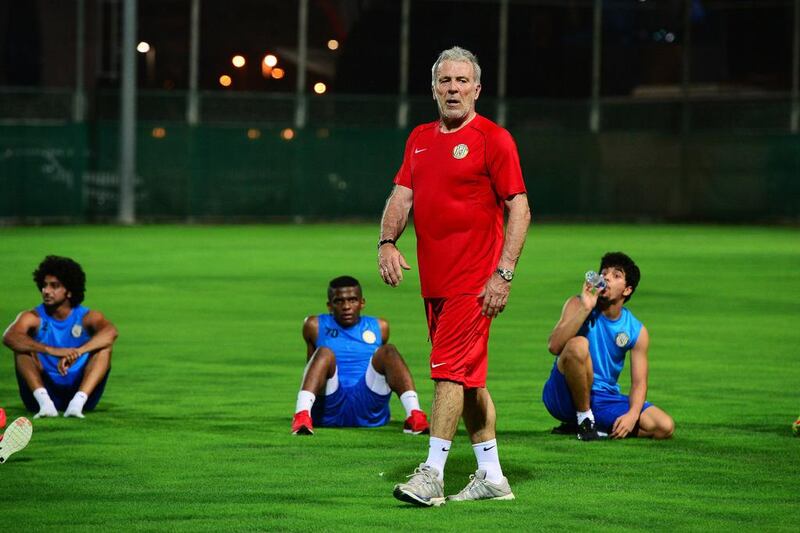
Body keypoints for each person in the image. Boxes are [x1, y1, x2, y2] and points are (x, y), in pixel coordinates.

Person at [378, 46, 531, 506]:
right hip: (435, 284)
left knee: (446, 373)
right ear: (433, 89)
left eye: (462, 81)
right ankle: (491, 475)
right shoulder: (420, 138)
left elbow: (519, 208)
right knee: (467, 381)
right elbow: (401, 196)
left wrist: (502, 275)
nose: (453, 89)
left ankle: (432, 474)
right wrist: (387, 242)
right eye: (445, 81)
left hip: (474, 282)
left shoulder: (493, 138)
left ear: (478, 89)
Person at [542, 252, 674, 440]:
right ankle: (584, 420)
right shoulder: (577, 304)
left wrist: (632, 415)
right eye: (604, 273)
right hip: (563, 393)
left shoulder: (636, 330)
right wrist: (586, 308)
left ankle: (588, 426)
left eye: (616, 275)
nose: (606, 277)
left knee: (663, 426)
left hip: (603, 398)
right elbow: (554, 346)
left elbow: (639, 382)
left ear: (627, 290)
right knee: (578, 344)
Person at [291, 275, 430, 436]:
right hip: (330, 404)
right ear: (329, 305)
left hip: (368, 404)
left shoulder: (380, 326)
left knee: (388, 351)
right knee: (324, 352)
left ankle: (414, 414)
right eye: (339, 301)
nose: (346, 306)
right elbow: (311, 366)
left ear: (362, 303)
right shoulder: (314, 325)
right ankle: (302, 415)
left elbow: (389, 371)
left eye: (352, 300)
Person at [3, 256, 118, 419]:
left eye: (54, 286)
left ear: (69, 291)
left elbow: (111, 332)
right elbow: (10, 336)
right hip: (41, 392)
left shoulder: (86, 317)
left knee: (104, 349)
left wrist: (78, 351)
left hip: (81, 391)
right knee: (21, 349)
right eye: (44, 285)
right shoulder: (33, 316)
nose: (46, 291)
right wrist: (51, 350)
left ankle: (77, 404)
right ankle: (45, 405)